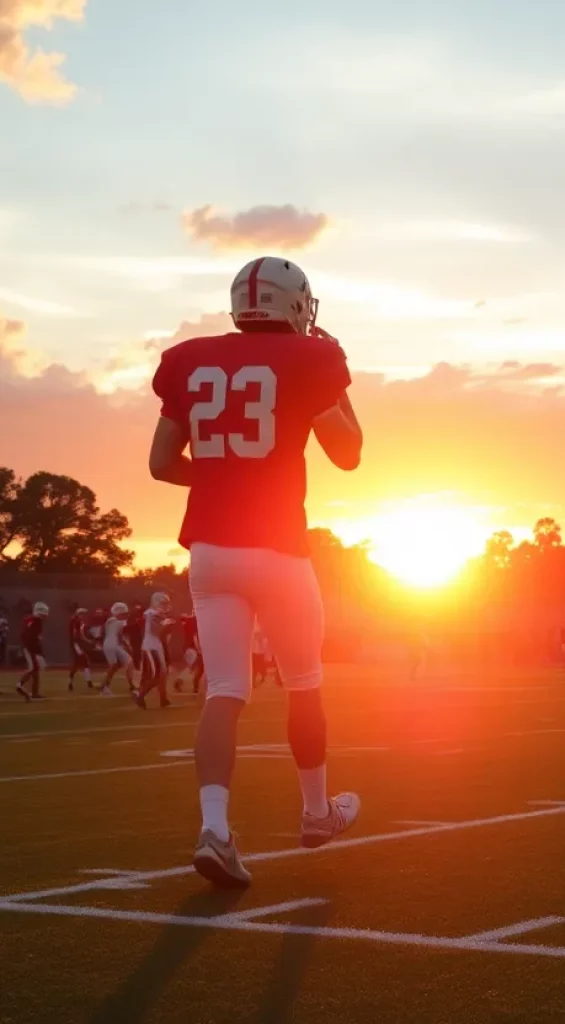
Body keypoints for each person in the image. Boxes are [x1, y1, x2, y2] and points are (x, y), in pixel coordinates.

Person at [149, 255, 363, 888]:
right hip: (275, 546)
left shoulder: (189, 358)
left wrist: (223, 478)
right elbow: (348, 455)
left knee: (224, 690)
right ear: (295, 304)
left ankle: (214, 829)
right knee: (304, 682)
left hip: (210, 551)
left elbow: (163, 463)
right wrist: (338, 379)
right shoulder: (309, 360)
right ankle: (317, 813)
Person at [134, 593, 174, 709]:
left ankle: (163, 699)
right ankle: (139, 696)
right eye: (163, 603)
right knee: (156, 676)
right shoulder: (151, 613)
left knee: (163, 674)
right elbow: (155, 630)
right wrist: (165, 623)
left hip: (156, 645)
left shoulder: (156, 614)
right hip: (150, 647)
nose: (165, 606)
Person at [17, 602, 49, 701]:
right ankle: (20, 684)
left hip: (27, 646)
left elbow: (23, 634)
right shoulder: (36, 622)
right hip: (31, 648)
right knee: (33, 668)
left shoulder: (28, 619)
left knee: (36, 670)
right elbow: (32, 637)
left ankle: (35, 693)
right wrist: (38, 650)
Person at [101, 602, 134, 695]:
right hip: (111, 645)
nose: (125, 615)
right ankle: (105, 687)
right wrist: (128, 645)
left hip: (112, 644)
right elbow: (120, 636)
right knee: (114, 666)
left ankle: (131, 685)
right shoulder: (118, 622)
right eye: (124, 614)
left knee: (128, 661)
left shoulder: (110, 620)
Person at [174, 609, 205, 695]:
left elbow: (182, 618)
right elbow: (195, 636)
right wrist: (199, 650)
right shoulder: (195, 620)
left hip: (189, 648)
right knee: (193, 667)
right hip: (192, 648)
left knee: (198, 667)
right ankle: (179, 681)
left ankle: (194, 686)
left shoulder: (190, 620)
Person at [68, 607, 93, 691]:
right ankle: (89, 682)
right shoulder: (76, 621)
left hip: (76, 643)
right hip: (76, 644)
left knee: (77, 664)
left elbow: (80, 634)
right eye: (83, 614)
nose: (84, 616)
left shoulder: (76, 621)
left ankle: (70, 683)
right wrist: (83, 641)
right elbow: (76, 633)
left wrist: (87, 641)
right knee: (85, 661)